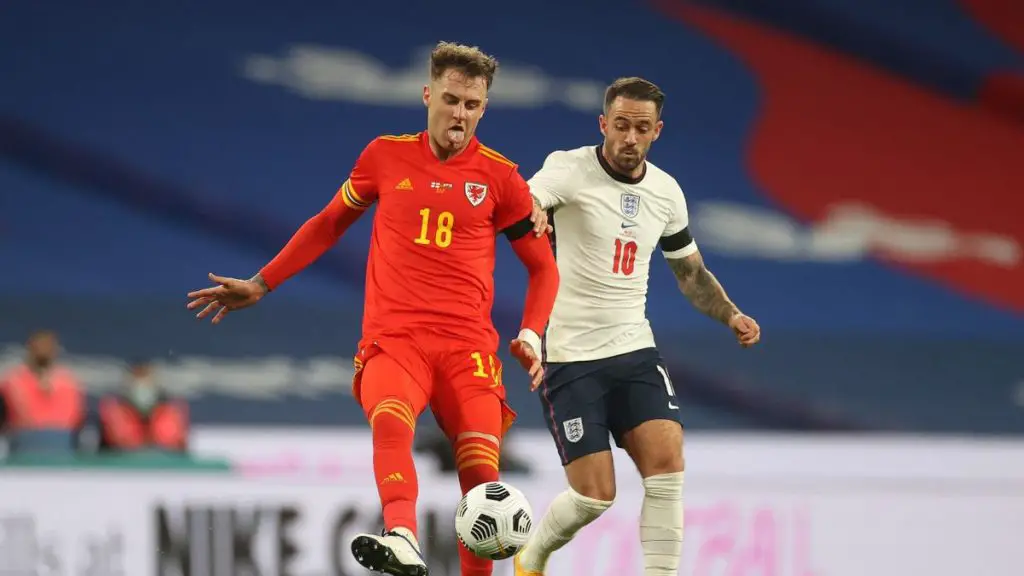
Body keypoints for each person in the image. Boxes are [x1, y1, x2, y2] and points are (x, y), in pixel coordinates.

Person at [186, 41, 559, 576]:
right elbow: (328, 223)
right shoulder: (385, 156)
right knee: (391, 423)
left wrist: (531, 331)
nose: (459, 114)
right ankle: (402, 535)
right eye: (451, 99)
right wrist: (263, 283)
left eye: (472, 105)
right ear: (428, 94)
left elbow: (544, 267)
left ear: (484, 109)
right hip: (395, 339)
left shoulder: (501, 179)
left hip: (467, 349)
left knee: (482, 482)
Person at [513, 77, 761, 576]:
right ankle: (531, 555)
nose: (629, 137)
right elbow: (528, 200)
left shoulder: (666, 193)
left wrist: (730, 313)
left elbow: (690, 273)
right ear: (603, 123)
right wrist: (535, 212)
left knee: (667, 465)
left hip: (633, 348)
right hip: (570, 356)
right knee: (594, 496)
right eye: (621, 125)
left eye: (641, 128)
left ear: (657, 132)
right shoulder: (569, 168)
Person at [0, 330, 85, 453]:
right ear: (30, 349)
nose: (43, 350)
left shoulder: (68, 383)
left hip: (62, 445)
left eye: (47, 346)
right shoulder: (13, 382)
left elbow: (75, 418)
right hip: (23, 445)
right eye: (39, 346)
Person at [98, 359, 189, 453]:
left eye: (146, 379)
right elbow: (119, 440)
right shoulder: (115, 411)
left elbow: (173, 442)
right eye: (137, 379)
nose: (142, 385)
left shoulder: (171, 411)